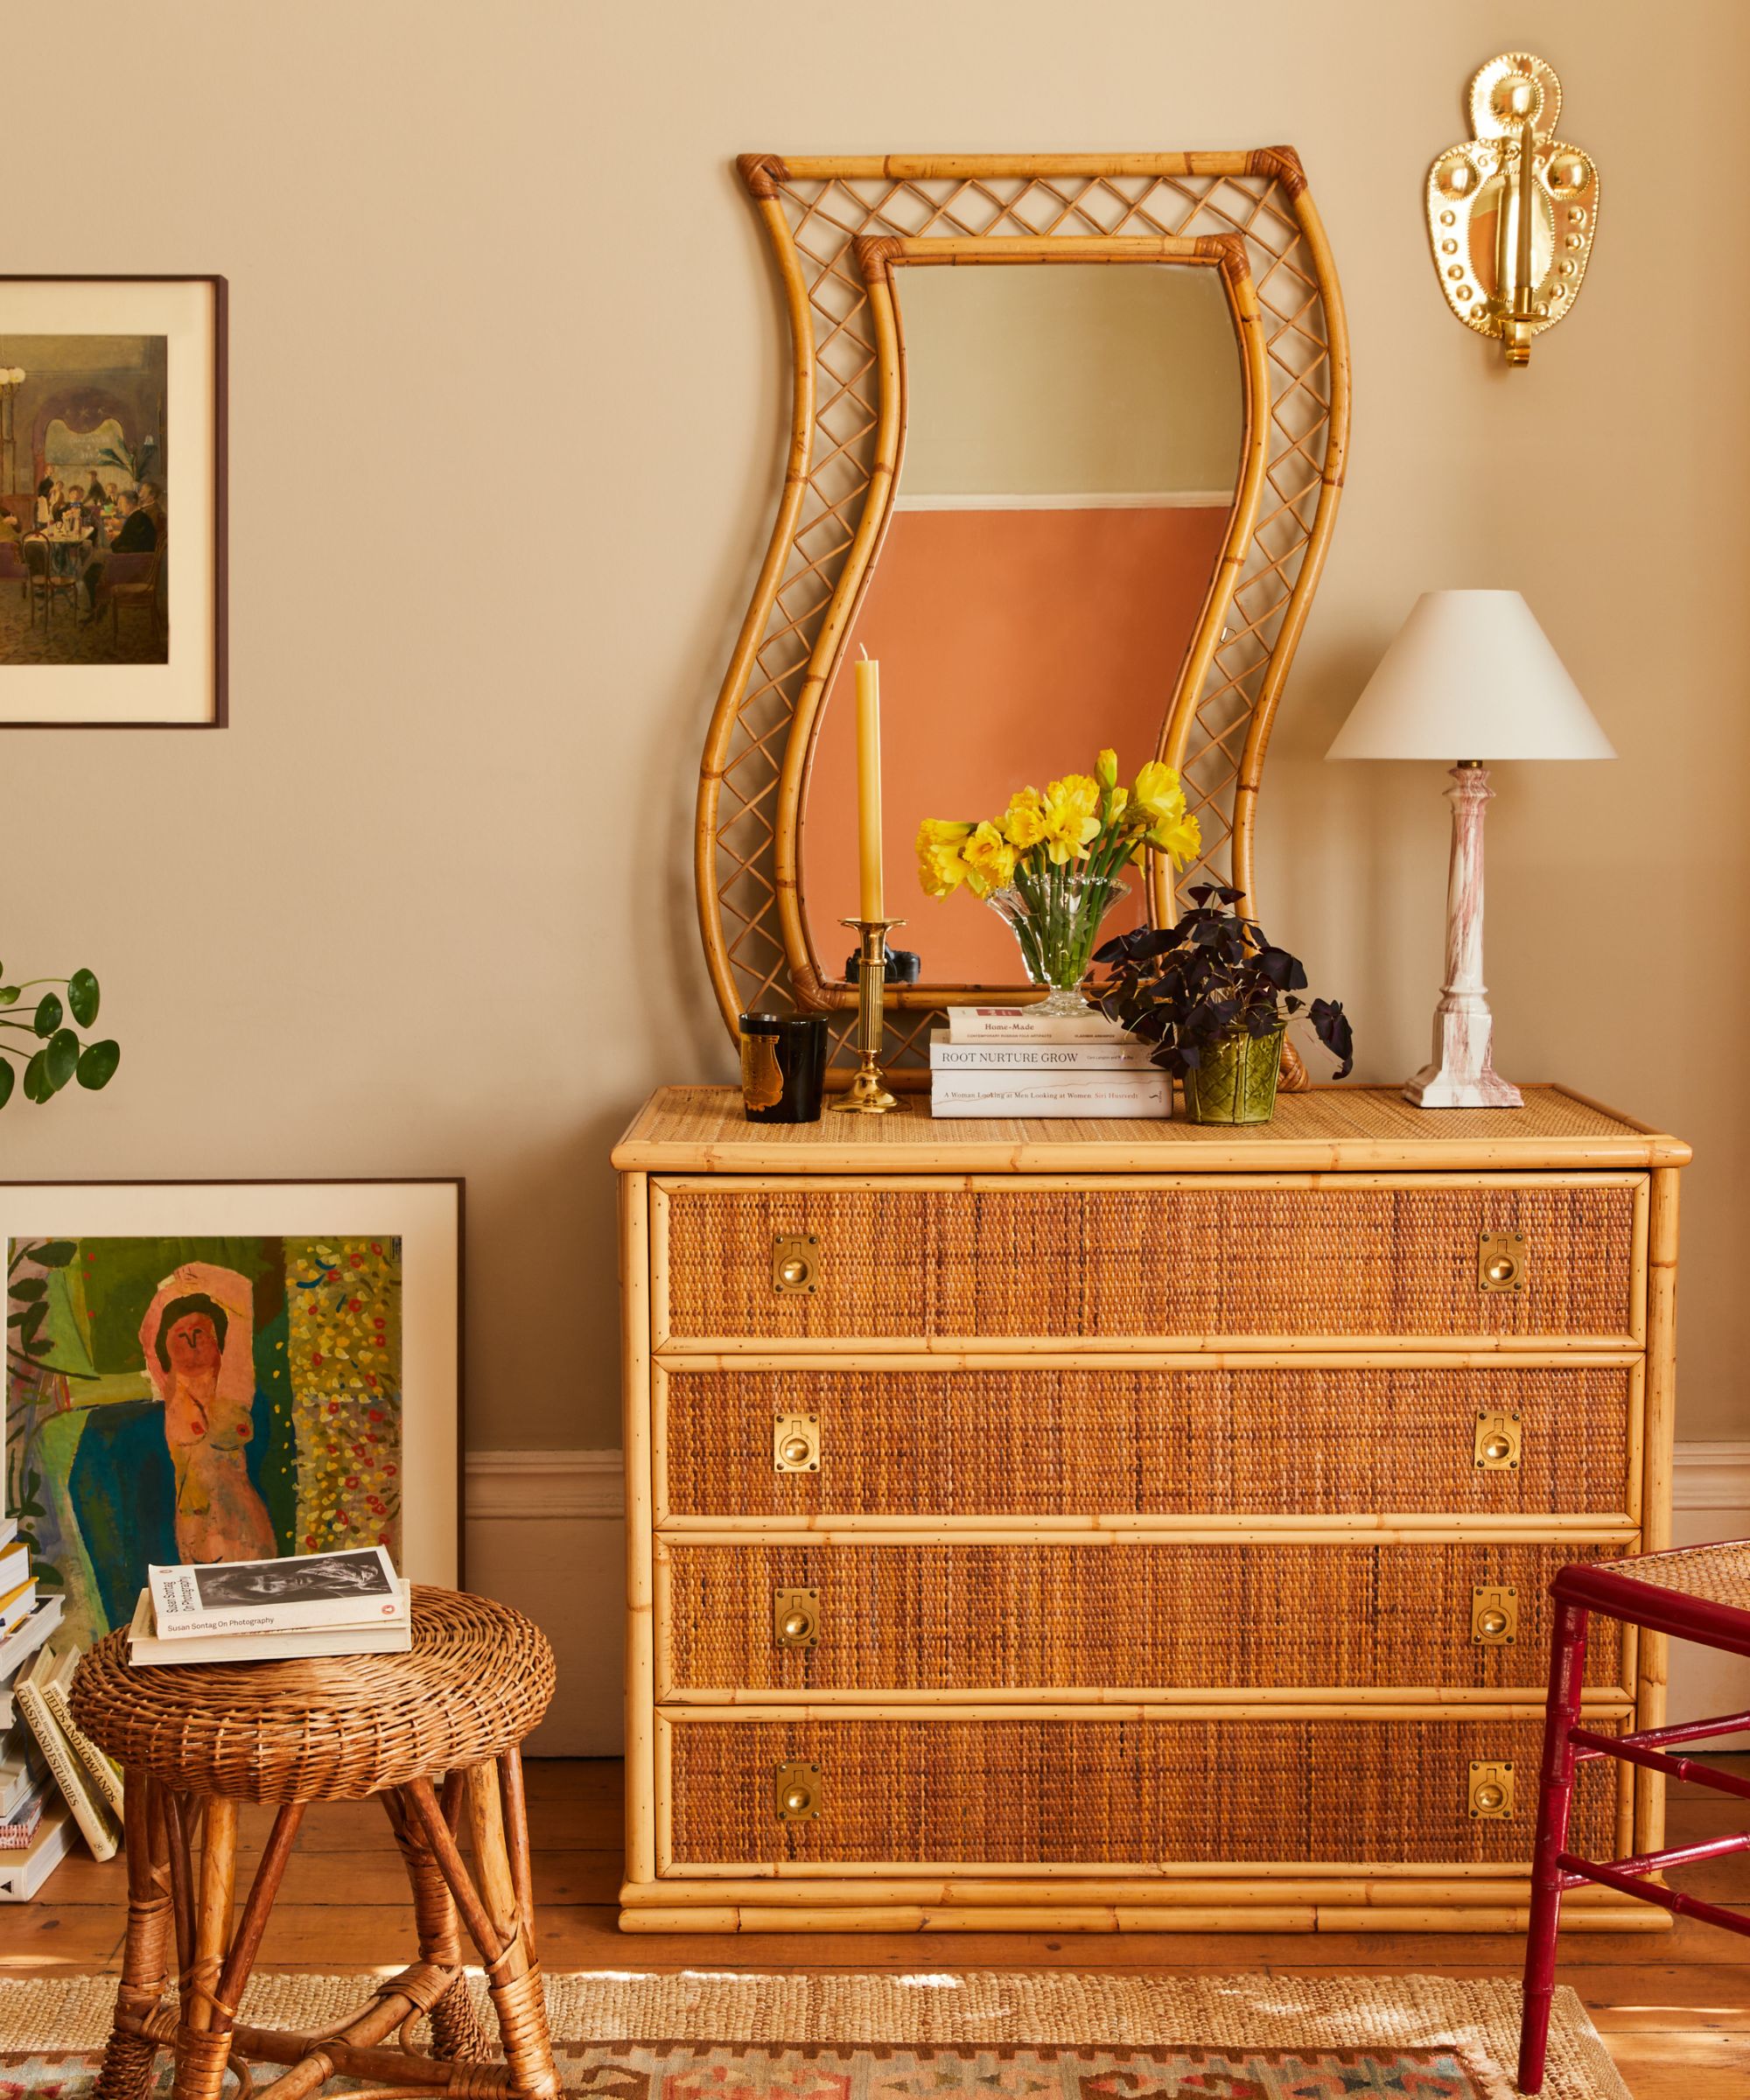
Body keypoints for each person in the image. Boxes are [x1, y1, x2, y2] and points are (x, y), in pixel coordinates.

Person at [140, 1262, 277, 1564]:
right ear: (166, 1346)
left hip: (241, 1524)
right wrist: (168, 1294)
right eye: (180, 1334)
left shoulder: (234, 1385)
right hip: (192, 1529)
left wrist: (203, 1279)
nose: (191, 1338)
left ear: (218, 1343)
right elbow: (147, 1336)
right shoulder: (171, 1390)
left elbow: (242, 1297)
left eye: (200, 1331)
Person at [81, 486, 156, 612]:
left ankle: (92, 601)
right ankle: (90, 594)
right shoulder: (137, 517)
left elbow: (125, 547)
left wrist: (114, 541)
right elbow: (130, 539)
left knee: (94, 558)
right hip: (133, 558)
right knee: (94, 558)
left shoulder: (137, 519)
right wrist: (118, 538)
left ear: (131, 504)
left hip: (130, 563)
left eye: (121, 503)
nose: (119, 507)